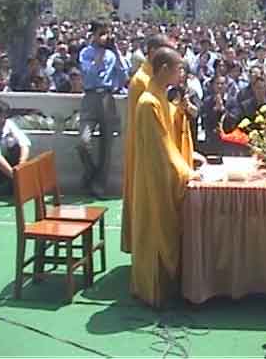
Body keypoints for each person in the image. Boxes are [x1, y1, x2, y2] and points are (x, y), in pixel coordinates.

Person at [130, 47, 201, 308]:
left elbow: (171, 123)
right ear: (163, 70)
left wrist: (180, 111)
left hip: (160, 176)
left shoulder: (159, 96)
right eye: (178, 69)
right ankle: (154, 291)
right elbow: (162, 149)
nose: (182, 74)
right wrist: (187, 173)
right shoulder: (148, 103)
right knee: (156, 230)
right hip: (154, 182)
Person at [121, 33, 173, 254]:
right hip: (145, 149)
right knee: (145, 201)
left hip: (152, 143)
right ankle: (146, 252)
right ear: (153, 53)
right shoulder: (142, 81)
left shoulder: (153, 77)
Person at [77, 21, 129, 199]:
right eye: (101, 33)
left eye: (107, 33)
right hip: (90, 97)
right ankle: (91, 173)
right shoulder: (86, 53)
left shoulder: (112, 55)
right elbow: (88, 73)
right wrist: (98, 58)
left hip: (107, 98)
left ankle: (99, 185)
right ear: (93, 34)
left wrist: (117, 51)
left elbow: (124, 75)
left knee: (107, 145)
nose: (105, 37)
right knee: (83, 142)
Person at [0, 101, 31, 197]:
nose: (3, 119)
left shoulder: (9, 123)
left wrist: (22, 163)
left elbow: (24, 143)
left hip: (6, 158)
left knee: (17, 149)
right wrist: (15, 177)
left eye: (5, 116)